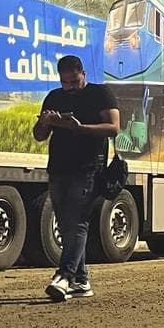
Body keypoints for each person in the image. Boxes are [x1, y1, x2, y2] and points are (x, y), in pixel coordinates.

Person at [33, 55, 119, 301]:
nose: (69, 87)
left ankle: (64, 276)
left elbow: (114, 127)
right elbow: (39, 136)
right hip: (58, 168)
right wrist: (45, 123)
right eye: (65, 82)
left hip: (88, 168)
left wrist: (79, 127)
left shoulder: (100, 94)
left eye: (73, 81)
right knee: (65, 225)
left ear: (83, 73)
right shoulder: (54, 97)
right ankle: (81, 281)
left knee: (78, 221)